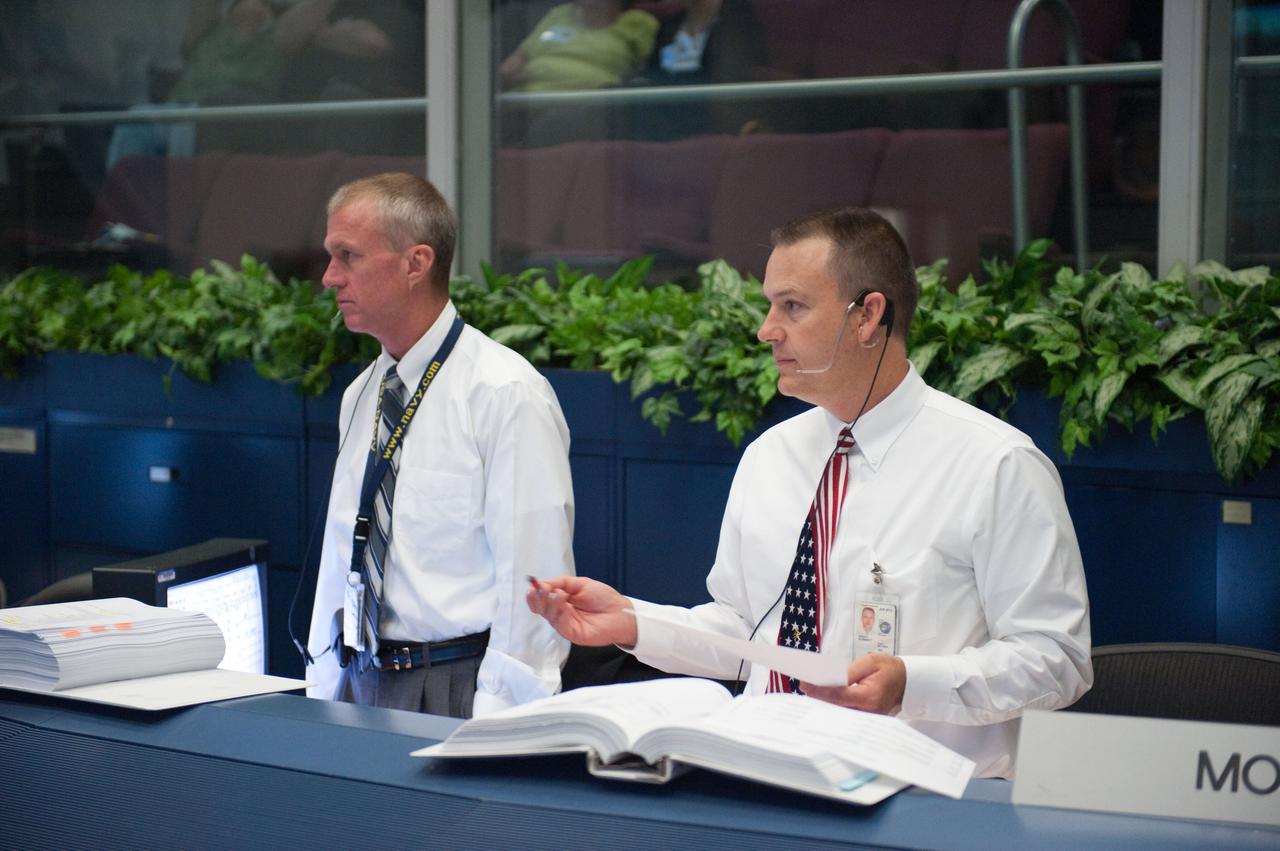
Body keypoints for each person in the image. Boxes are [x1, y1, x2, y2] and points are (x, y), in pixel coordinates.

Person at [528, 207, 1092, 777]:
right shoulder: (771, 456)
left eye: (792, 306)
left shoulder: (995, 464)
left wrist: (911, 684)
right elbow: (746, 632)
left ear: (868, 315)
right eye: (769, 305)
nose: (766, 329)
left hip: (918, 794)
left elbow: (1058, 660)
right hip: (766, 771)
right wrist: (630, 621)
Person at [307, 172, 575, 718]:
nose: (330, 277)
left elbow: (535, 579)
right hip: (357, 679)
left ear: (415, 263)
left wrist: (500, 724)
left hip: (456, 687)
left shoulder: (505, 392)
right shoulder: (362, 394)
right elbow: (343, 555)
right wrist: (323, 688)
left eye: (348, 256)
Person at [499, 0, 658, 93]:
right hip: (529, 99)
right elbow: (517, 60)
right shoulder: (558, 13)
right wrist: (511, 71)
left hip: (591, 105)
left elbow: (642, 73)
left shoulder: (638, 22)